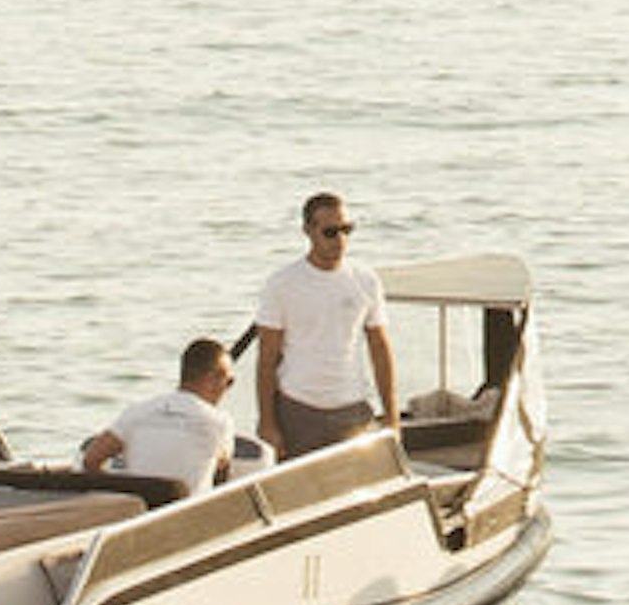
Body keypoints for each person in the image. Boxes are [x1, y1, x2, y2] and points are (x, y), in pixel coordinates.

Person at [251, 190, 399, 459]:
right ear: (308, 230)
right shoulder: (283, 284)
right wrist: (267, 422)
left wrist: (392, 417)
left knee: (360, 493)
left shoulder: (365, 280)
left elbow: (380, 349)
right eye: (330, 232)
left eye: (346, 230)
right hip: (299, 409)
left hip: (353, 409)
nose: (340, 240)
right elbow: (267, 359)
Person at [82, 338, 239, 492]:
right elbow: (222, 470)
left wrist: (122, 495)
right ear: (213, 379)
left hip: (142, 510)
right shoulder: (219, 421)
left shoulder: (138, 411)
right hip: (191, 513)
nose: (227, 389)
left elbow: (91, 461)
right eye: (229, 381)